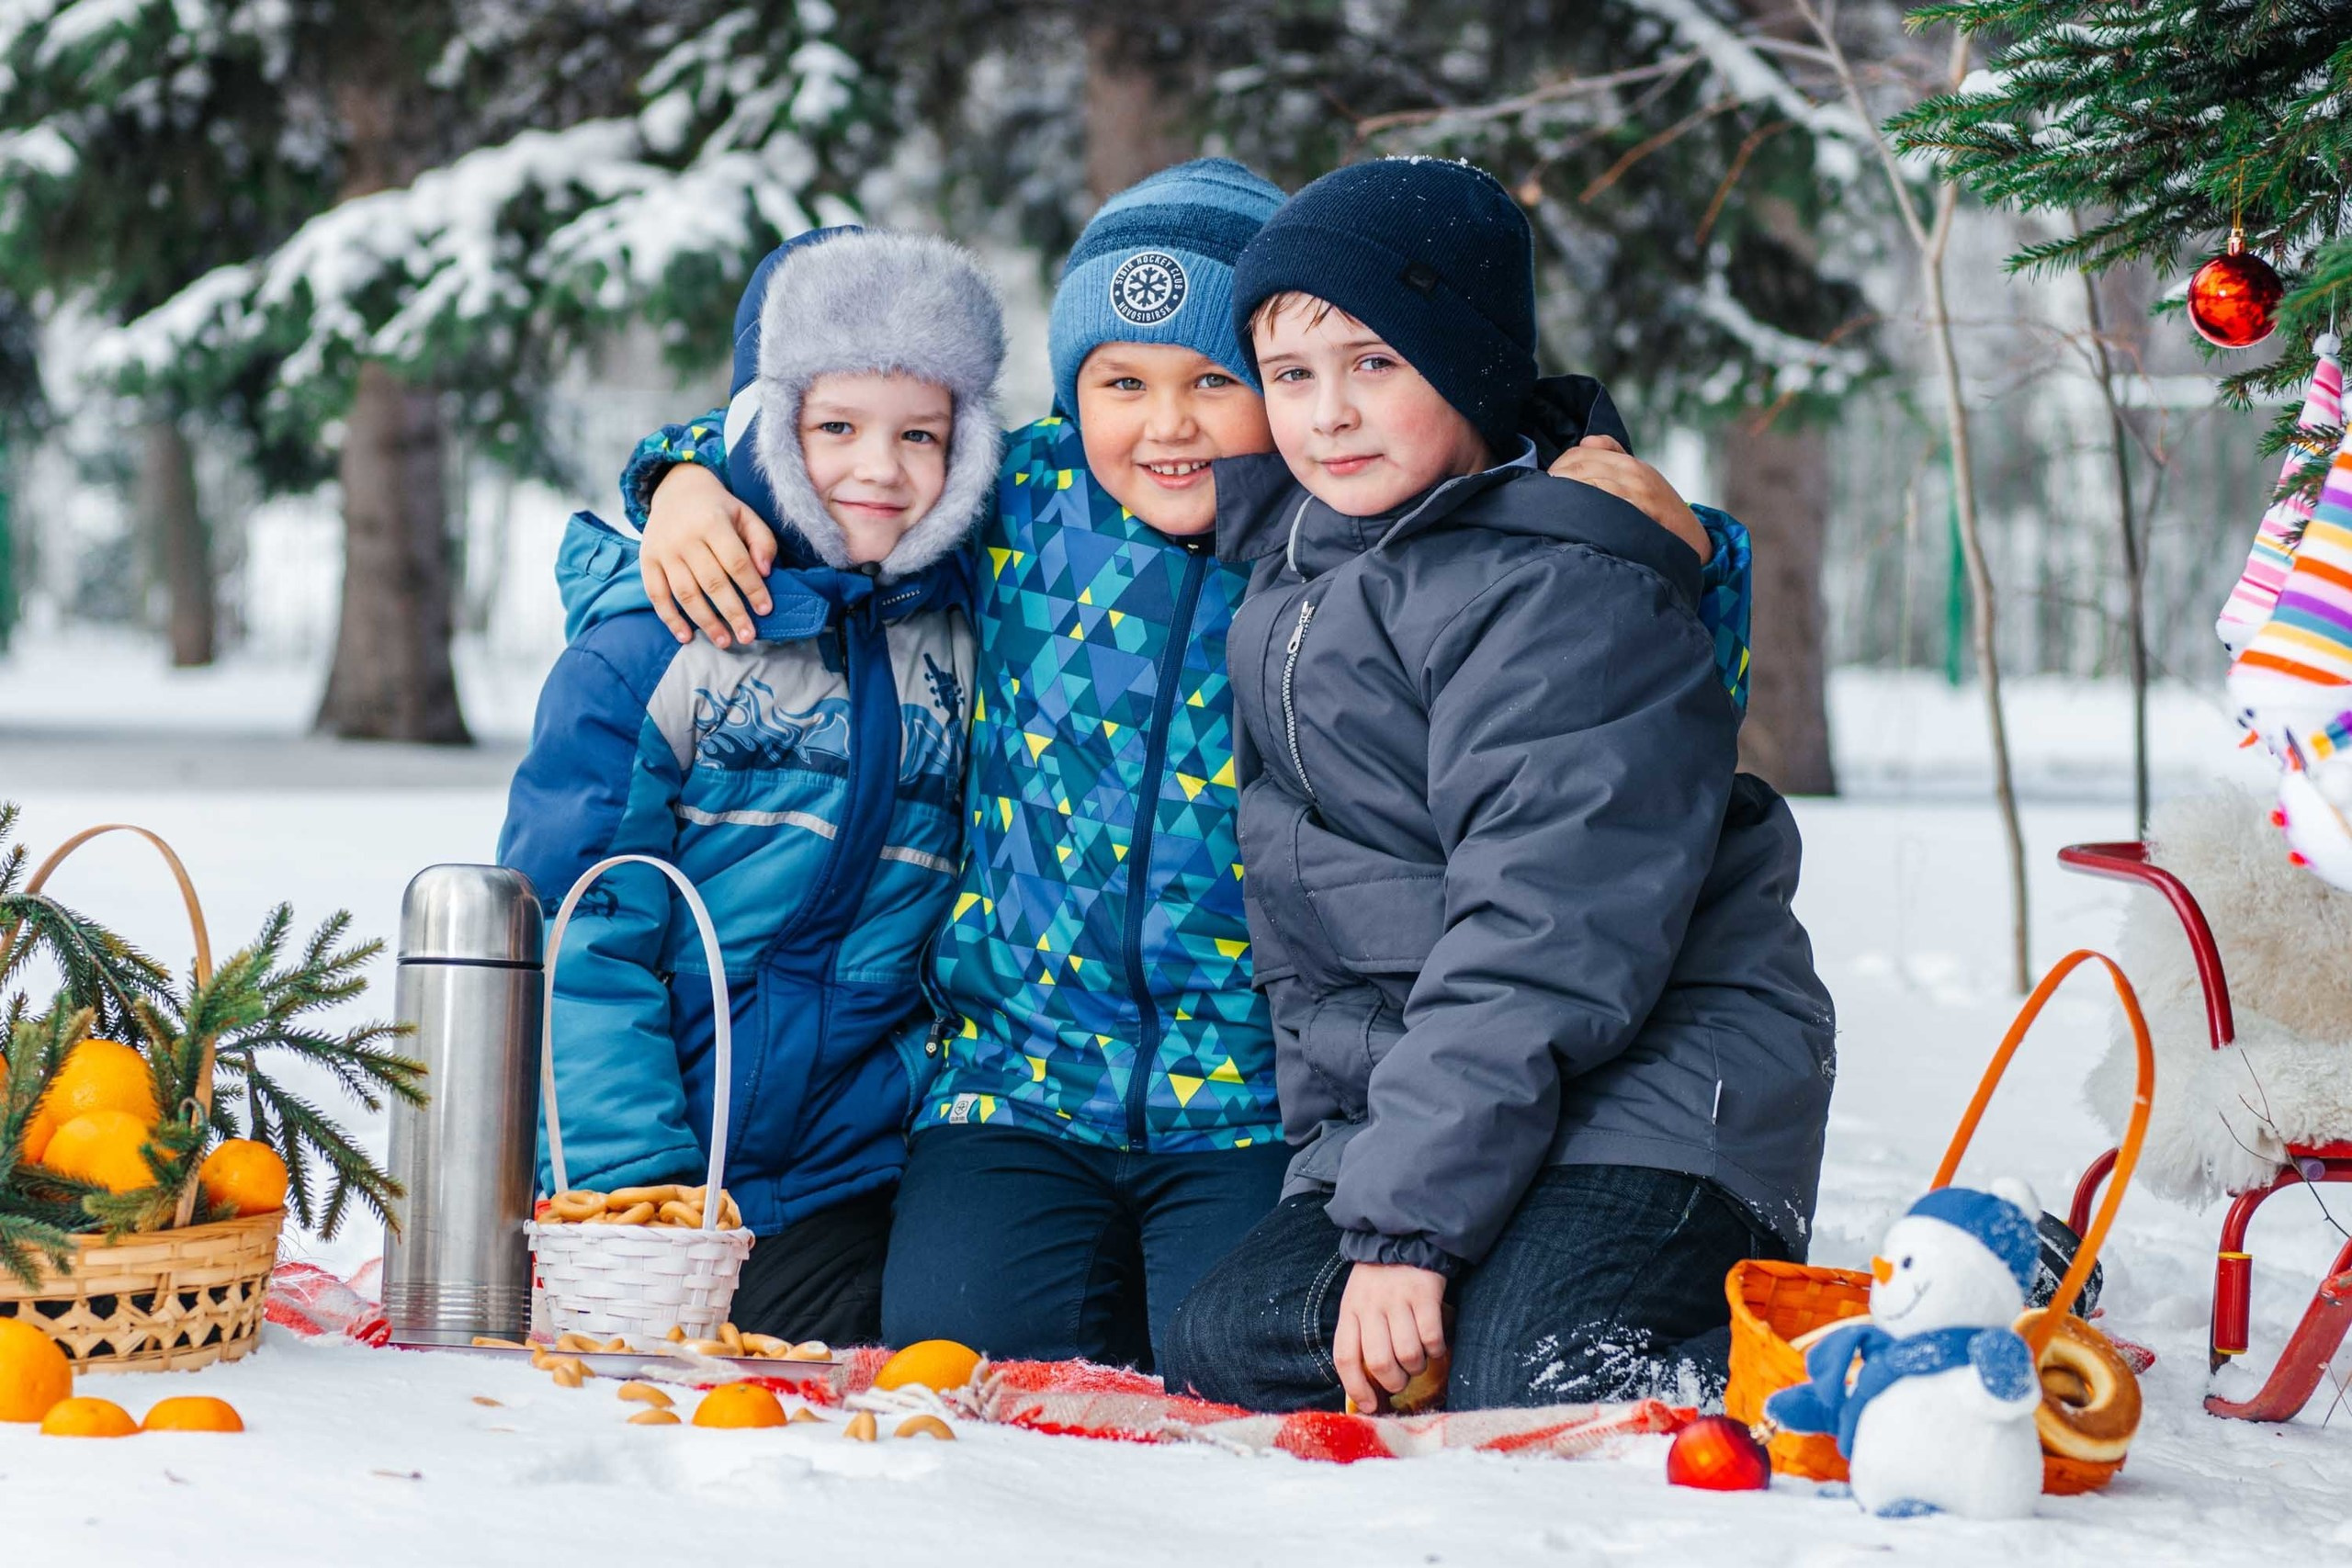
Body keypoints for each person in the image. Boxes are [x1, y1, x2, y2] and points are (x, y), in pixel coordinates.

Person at [611, 162, 1758, 1367]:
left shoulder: (1335, 529)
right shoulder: (1016, 501)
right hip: (1016, 1079)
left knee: (1221, 1369)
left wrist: (1669, 529)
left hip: (1248, 1090)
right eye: (1121, 383)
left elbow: (1604, 642)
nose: (1166, 424)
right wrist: (685, 475)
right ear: (1073, 393)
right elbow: (849, 449)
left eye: (1215, 380)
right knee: (967, 1362)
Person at [1159, 157, 1835, 1414]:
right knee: (1221, 1329)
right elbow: (1312, 927)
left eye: (1376, 363)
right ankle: (1489, 1297)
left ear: (1469, 365)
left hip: (1661, 1090)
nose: (1327, 414)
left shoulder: (1560, 585)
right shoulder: (1296, 575)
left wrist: (1408, 1233)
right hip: (1468, 1108)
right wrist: (1345, 1191)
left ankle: (1895, 1336)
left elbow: (1544, 928)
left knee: (1529, 1369)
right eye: (1292, 374)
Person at [496, 226, 1005, 1346]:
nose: (880, 467)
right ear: (766, 429)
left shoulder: (967, 629)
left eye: (921, 433)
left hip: (857, 1169)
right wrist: (638, 1187)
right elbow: (575, 940)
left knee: (982, 1336)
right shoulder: (649, 652)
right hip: (657, 1166)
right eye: (834, 427)